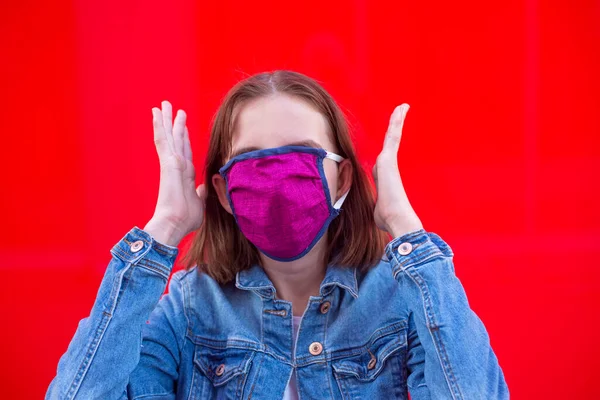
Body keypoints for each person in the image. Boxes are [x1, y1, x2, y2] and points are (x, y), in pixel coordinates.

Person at [45, 70, 509, 400]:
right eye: (254, 159)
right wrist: (164, 229)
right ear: (225, 191)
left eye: (302, 154)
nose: (277, 179)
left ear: (342, 179)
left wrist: (406, 227)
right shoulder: (190, 309)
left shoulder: (397, 301)